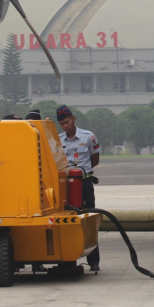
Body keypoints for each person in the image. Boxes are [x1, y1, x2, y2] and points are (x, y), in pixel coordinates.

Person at [56, 105, 101, 271]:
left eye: (67, 122)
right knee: (67, 221)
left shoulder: (88, 137)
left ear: (73, 119)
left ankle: (94, 261)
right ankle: (69, 259)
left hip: (84, 183)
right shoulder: (58, 140)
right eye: (62, 124)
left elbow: (94, 159)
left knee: (88, 219)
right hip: (66, 186)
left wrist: (82, 173)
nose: (66, 126)